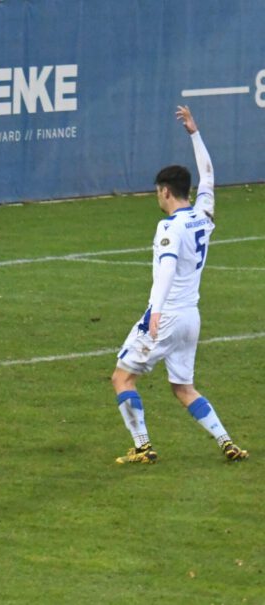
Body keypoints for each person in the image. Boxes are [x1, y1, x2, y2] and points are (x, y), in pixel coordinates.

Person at [111, 106, 247, 464]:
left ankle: (142, 446)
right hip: (192, 317)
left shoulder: (169, 228)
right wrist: (195, 133)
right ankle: (227, 442)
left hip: (168, 315)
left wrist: (154, 312)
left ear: (166, 191)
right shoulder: (203, 216)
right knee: (183, 388)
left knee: (122, 379)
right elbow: (208, 175)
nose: (157, 197)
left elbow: (166, 270)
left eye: (158, 192)